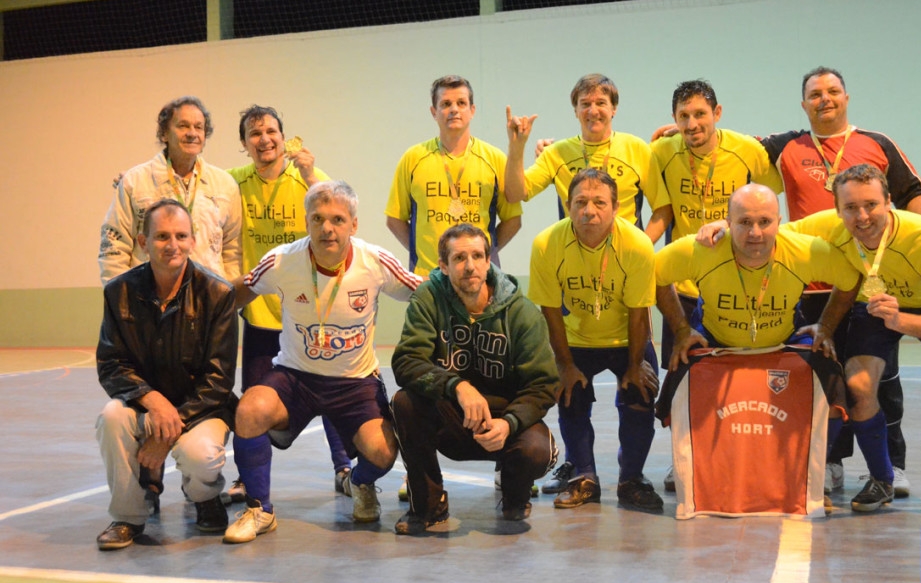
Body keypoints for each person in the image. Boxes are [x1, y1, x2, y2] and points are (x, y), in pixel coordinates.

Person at [758, 67, 921, 497]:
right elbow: (729, 148)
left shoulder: (877, 143)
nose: (825, 99)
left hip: (874, 281)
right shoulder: (786, 146)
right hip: (813, 286)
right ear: (803, 104)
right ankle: (831, 460)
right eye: (815, 94)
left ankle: (892, 465)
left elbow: (913, 188)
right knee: (825, 374)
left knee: (882, 376)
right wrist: (680, 128)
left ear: (846, 97)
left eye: (832, 91)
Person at [223, 180, 421, 543]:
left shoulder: (375, 261)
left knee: (381, 452)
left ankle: (357, 483)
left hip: (354, 382)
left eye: (338, 219)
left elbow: (422, 292)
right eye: (318, 219)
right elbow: (238, 291)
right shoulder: (283, 260)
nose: (327, 228)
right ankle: (259, 510)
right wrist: (200, 316)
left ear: (354, 224)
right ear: (307, 222)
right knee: (250, 410)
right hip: (295, 377)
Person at [654, 185, 860, 514]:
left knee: (833, 380)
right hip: (717, 341)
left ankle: (816, 462)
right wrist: (680, 329)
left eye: (765, 222)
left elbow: (850, 281)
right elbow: (656, 274)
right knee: (676, 379)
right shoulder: (701, 250)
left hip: (781, 340)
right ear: (728, 222)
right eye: (744, 222)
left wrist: (827, 327)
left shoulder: (806, 251)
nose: (755, 233)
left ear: (780, 221)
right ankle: (690, 461)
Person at [791, 165, 921, 516]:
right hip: (874, 305)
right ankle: (882, 478)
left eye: (871, 205)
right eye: (850, 208)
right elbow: (771, 231)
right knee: (859, 387)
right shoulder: (828, 226)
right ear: (837, 210)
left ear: (889, 202)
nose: (862, 217)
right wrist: (721, 227)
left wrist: (899, 320)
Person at [650, 79, 784, 493]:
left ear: (718, 113)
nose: (692, 124)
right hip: (685, 285)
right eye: (683, 117)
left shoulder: (748, 151)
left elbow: (769, 204)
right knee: (682, 378)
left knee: (743, 377)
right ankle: (682, 459)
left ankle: (751, 455)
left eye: (699, 114)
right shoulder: (661, 152)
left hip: (740, 280)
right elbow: (660, 209)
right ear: (673, 120)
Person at [390, 224, 558, 534]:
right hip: (453, 419)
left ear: (489, 259)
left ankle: (514, 495)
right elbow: (406, 361)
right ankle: (428, 506)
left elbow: (544, 384)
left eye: (478, 256)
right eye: (459, 258)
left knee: (538, 451)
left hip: (504, 423)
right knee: (405, 402)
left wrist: (509, 422)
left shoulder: (521, 312)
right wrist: (457, 386)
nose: (470, 266)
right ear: (443, 265)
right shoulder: (429, 299)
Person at [226, 105, 353, 505]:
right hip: (261, 315)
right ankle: (248, 481)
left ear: (284, 137)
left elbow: (339, 215)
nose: (264, 139)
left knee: (331, 391)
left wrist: (312, 174)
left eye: (270, 131)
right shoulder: (232, 184)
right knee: (253, 400)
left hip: (310, 310)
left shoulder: (308, 179)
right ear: (245, 144)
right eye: (254, 133)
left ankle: (344, 467)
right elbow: (197, 198)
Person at [95, 199, 237, 550]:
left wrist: (168, 427)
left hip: (201, 408)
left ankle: (204, 497)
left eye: (180, 236)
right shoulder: (119, 292)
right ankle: (129, 516)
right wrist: (153, 401)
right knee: (112, 417)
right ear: (143, 243)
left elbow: (219, 379)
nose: (172, 245)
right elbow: (111, 363)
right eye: (161, 236)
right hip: (144, 404)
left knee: (201, 456)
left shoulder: (218, 294)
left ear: (192, 240)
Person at [528, 168, 663, 513]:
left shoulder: (636, 244)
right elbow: (550, 312)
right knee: (570, 395)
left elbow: (638, 312)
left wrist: (635, 366)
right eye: (581, 202)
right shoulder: (546, 244)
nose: (590, 210)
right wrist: (564, 365)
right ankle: (584, 477)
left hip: (625, 339)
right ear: (568, 205)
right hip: (575, 339)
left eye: (600, 202)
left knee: (640, 393)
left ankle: (631, 478)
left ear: (616, 207)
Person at [505, 73, 672, 241]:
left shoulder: (636, 148)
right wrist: (516, 147)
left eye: (600, 103)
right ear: (576, 111)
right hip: (575, 258)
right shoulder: (556, 154)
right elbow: (515, 194)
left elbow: (663, 208)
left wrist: (641, 249)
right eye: (585, 104)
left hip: (625, 258)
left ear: (614, 109)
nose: (593, 111)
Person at [386, 75, 523, 277]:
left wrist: (483, 255)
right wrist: (421, 254)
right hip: (428, 278)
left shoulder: (495, 159)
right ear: (434, 112)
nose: (454, 109)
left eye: (461, 103)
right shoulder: (413, 158)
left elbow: (513, 220)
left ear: (472, 110)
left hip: (478, 277)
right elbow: (394, 219)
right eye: (446, 104)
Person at [99, 96, 242, 284]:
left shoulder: (225, 184)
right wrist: (121, 299)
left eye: (198, 127)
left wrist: (227, 298)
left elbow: (233, 251)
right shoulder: (135, 181)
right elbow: (114, 245)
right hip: (149, 299)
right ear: (164, 134)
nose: (192, 133)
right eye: (183, 126)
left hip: (208, 299)